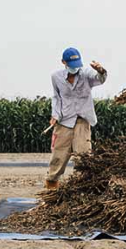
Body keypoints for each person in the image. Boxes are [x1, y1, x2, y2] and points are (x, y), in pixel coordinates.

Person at [46, 47, 107, 189]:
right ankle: (51, 190)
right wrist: (54, 115)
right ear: (63, 62)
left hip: (82, 121)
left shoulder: (86, 74)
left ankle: (85, 190)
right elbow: (56, 97)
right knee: (58, 157)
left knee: (84, 157)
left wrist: (101, 70)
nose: (75, 68)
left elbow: (100, 78)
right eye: (71, 65)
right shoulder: (56, 77)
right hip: (64, 121)